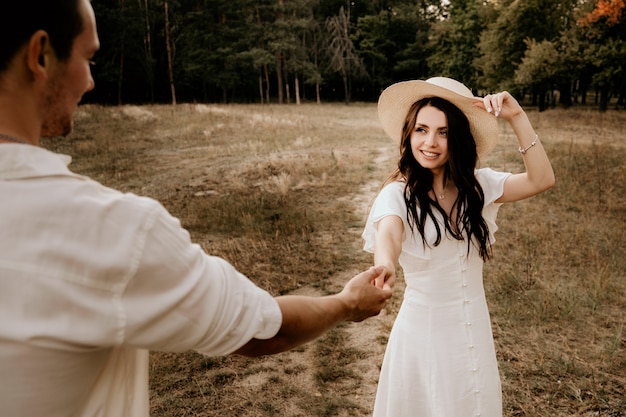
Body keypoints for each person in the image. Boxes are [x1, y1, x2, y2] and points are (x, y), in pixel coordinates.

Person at [0, 1, 393, 416]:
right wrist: (347, 304)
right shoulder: (111, 229)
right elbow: (262, 331)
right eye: (88, 57)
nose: (91, 81)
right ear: (40, 55)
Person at [362, 77, 555, 417]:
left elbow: (542, 179)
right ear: (409, 134)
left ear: (459, 139)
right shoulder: (397, 195)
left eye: (444, 132)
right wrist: (386, 266)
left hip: (474, 332)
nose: (430, 142)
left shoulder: (479, 186)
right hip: (423, 336)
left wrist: (518, 117)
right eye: (421, 129)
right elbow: (388, 237)